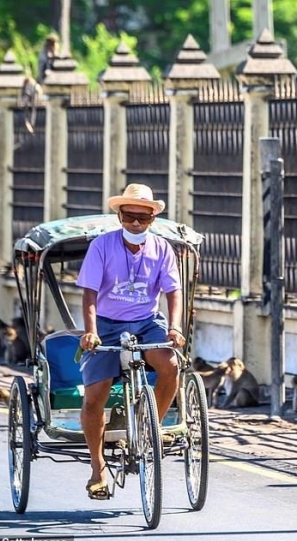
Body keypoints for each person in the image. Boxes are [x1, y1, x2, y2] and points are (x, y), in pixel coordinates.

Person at [76, 183, 185, 500]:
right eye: (129, 216)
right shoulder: (102, 246)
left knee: (170, 364)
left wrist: (174, 326)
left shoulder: (162, 249)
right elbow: (90, 293)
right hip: (107, 325)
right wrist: (90, 330)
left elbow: (173, 291)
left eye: (143, 218)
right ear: (119, 215)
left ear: (152, 217)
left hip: (148, 322)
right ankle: (97, 469)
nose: (136, 223)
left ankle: (154, 429)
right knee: (95, 395)